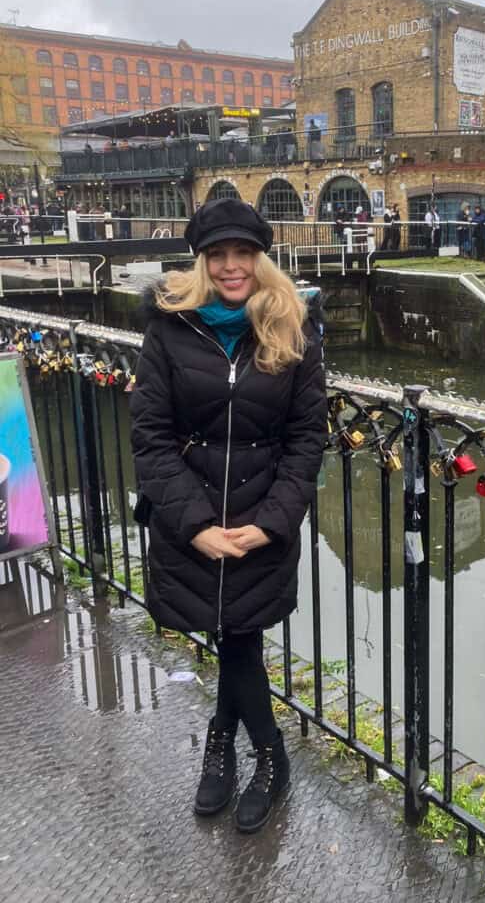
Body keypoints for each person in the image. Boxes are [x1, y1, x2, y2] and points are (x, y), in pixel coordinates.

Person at [130, 199, 327, 833]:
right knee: (232, 634)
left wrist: (273, 520)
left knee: (236, 632)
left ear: (260, 258)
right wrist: (193, 524)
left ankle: (230, 742)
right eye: (219, 255)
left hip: (260, 514)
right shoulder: (169, 327)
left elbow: (306, 438)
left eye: (244, 253)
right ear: (202, 261)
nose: (232, 266)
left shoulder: (293, 328)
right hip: (192, 516)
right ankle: (266, 751)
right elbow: (150, 437)